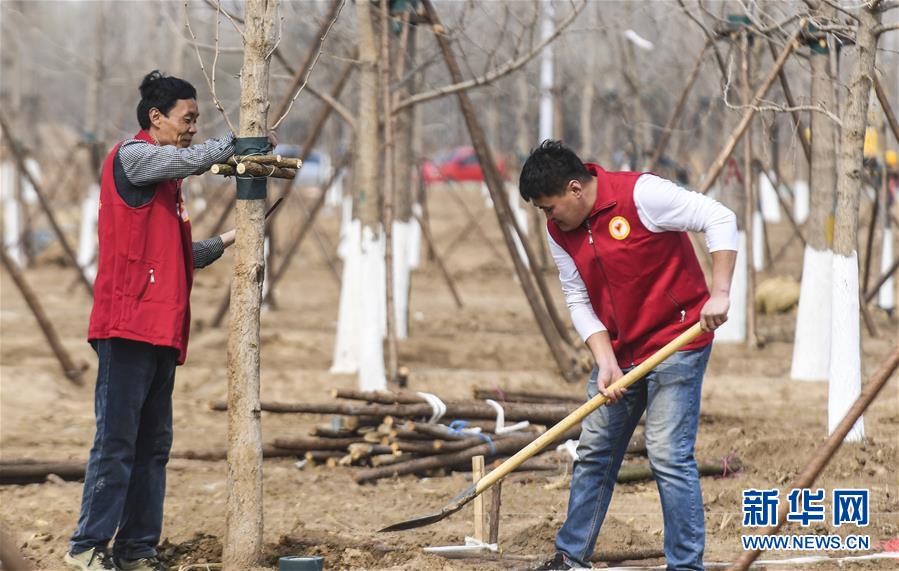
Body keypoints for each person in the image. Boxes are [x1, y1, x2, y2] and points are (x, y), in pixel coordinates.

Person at [520, 140, 737, 571]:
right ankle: (571, 556)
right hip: (620, 350)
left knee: (666, 453)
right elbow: (577, 296)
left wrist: (721, 293)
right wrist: (604, 359)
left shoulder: (642, 195)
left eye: (549, 207)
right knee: (595, 448)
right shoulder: (560, 232)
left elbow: (719, 217)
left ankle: (685, 565)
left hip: (679, 336)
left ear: (575, 189)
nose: (548, 218)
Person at [65, 70, 238, 571]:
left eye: (197, 121)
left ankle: (137, 549)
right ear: (156, 117)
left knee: (153, 446)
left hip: (161, 331)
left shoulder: (167, 189)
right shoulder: (133, 157)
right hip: (126, 327)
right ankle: (86, 548)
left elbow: (180, 255)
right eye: (188, 119)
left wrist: (229, 241)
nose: (192, 129)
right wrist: (234, 144)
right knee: (117, 443)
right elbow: (189, 159)